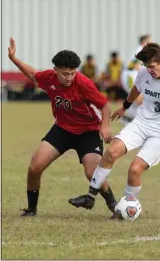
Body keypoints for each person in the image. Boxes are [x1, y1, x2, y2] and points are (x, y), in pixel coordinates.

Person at [68, 43, 160, 214]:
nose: (149, 70)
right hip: (142, 123)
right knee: (111, 152)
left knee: (134, 169)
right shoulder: (143, 73)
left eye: (152, 66)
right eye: (146, 67)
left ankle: (125, 209)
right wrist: (125, 107)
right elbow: (136, 88)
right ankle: (90, 197)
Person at [8, 37, 116, 217]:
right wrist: (13, 59)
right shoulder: (49, 78)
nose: (69, 77)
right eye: (65, 73)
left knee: (92, 173)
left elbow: (105, 105)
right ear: (55, 70)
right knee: (35, 167)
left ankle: (115, 208)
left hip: (87, 131)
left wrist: (104, 127)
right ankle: (31, 209)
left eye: (73, 73)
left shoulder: (83, 83)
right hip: (62, 129)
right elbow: (33, 75)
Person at [120, 59, 143, 125]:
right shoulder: (132, 74)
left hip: (133, 99)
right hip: (135, 98)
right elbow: (131, 87)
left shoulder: (128, 73)